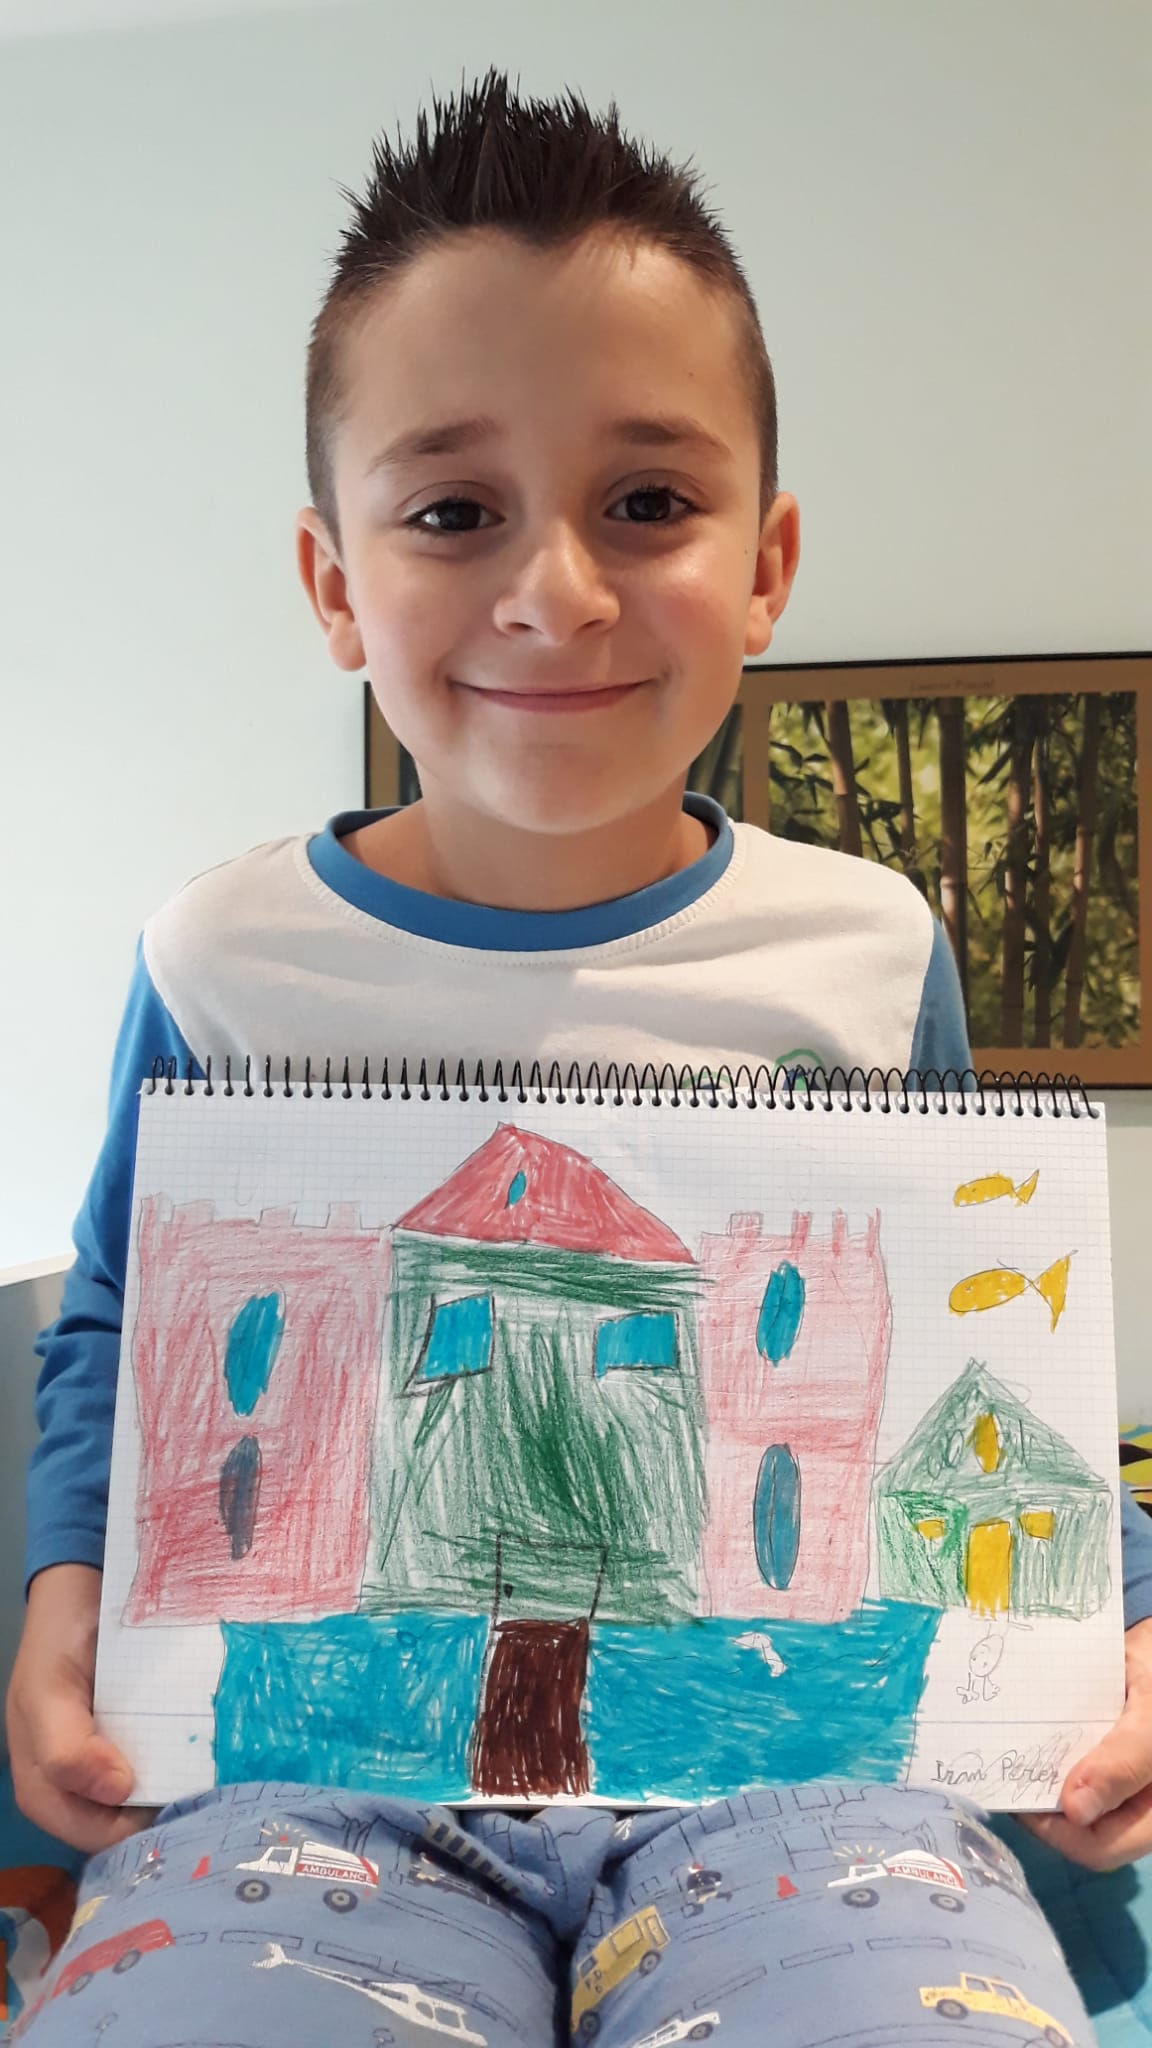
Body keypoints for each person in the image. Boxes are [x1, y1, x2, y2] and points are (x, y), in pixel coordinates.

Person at [7, 67, 1151, 2048]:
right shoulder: (221, 956)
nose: (555, 589)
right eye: (454, 511)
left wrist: (1118, 1617)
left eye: (649, 502)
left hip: (795, 1780)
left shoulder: (871, 952)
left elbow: (981, 1347)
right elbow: (119, 1325)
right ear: (334, 582)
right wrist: (60, 1602)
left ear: (769, 562)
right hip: (309, 1773)